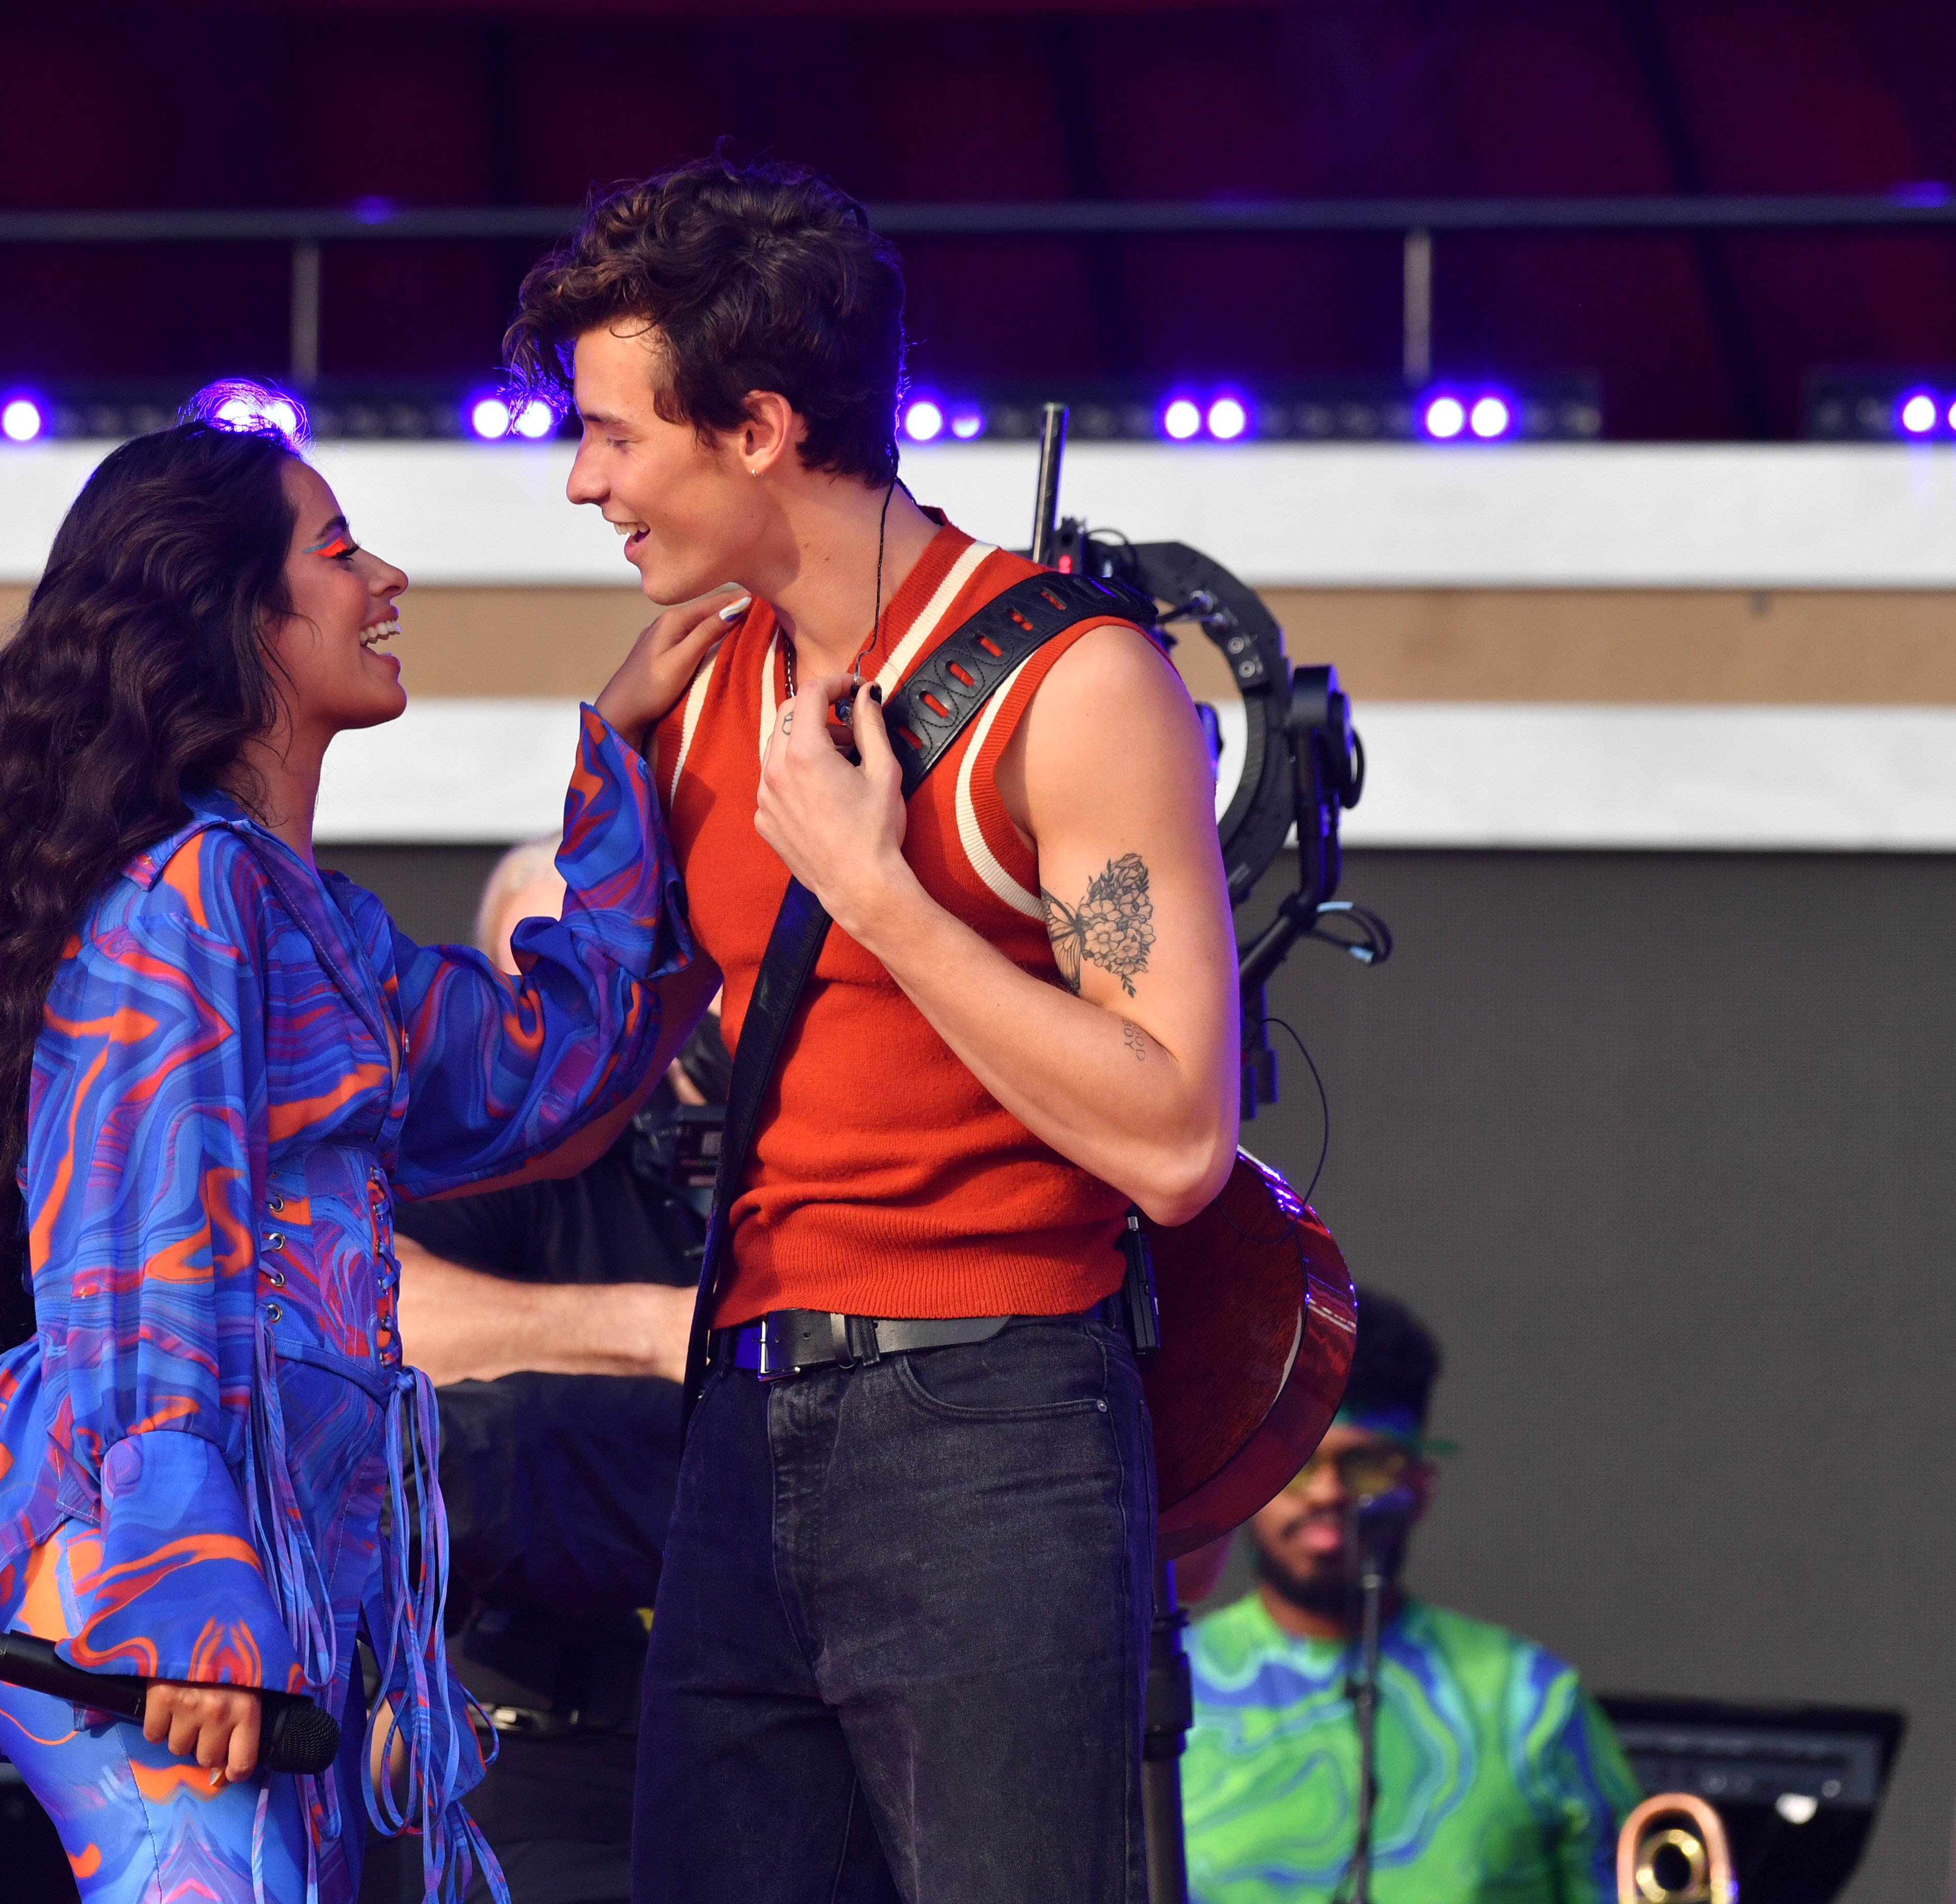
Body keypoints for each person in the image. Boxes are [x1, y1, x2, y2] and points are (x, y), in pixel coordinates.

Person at [0, 394, 727, 1904]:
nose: (383, 578)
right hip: (155, 1562)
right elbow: (139, 1247)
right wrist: (178, 1569)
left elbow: (543, 1078)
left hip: (266, 1573)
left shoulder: (299, 917)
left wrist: (623, 761)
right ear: (237, 615)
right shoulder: (186, 891)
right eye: (336, 549)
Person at [504, 156, 1243, 1904]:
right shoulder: (695, 690)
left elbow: (1171, 1133)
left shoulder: (1070, 688)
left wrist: (879, 891)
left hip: (987, 1427)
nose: (581, 481)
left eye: (613, 434)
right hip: (740, 1420)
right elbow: (579, 1070)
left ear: (755, 427)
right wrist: (596, 776)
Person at [389, 840, 721, 1904]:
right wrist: (656, 1329)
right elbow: (363, 1308)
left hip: (794, 1736)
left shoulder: (782, 1138)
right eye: (540, 988)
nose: (580, 1022)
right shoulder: (508, 1149)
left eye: (610, 977)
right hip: (552, 1751)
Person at [1182, 1291, 1639, 1904]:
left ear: (1420, 1485)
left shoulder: (1532, 1701)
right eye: (1296, 1463)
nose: (1328, 1495)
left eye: (1366, 1465)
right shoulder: (1161, 1692)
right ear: (1249, 1477)